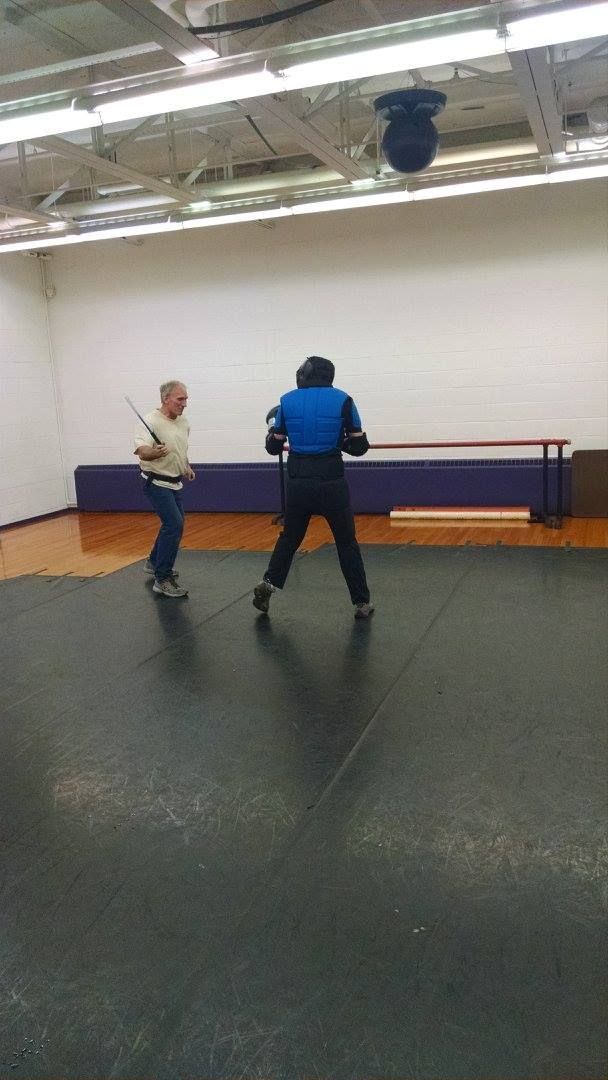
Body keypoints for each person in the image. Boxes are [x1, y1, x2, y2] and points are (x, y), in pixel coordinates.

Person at [253, 356, 374, 619]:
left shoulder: (287, 400)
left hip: (298, 480)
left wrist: (274, 432)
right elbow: (359, 447)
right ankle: (361, 602)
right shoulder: (344, 400)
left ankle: (268, 584)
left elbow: (273, 446)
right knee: (346, 543)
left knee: (290, 538)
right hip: (331, 480)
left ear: (305, 374)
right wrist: (340, 441)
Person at [133, 380, 195, 598]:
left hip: (175, 480)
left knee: (174, 524)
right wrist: (154, 452)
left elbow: (181, 448)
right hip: (155, 482)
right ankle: (162, 578)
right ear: (165, 398)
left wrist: (186, 465)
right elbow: (141, 451)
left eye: (185, 398)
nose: (184, 403)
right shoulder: (150, 421)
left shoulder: (183, 421)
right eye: (180, 399)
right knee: (174, 524)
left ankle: (153, 561)